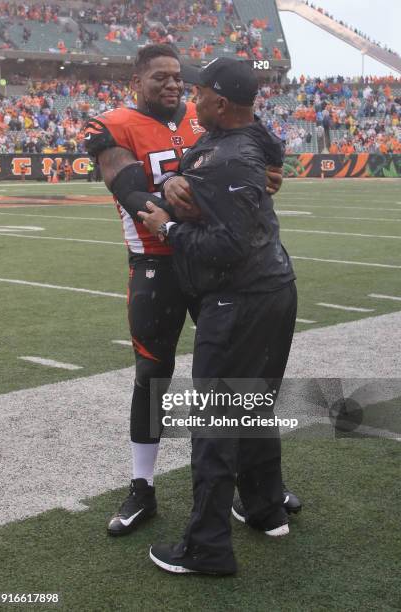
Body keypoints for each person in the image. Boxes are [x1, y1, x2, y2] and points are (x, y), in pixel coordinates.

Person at [84, 45, 300, 538]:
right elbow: (128, 187)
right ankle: (143, 486)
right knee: (153, 374)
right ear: (136, 79)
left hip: (214, 269)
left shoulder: (206, 114)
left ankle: (258, 487)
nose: (173, 85)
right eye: (160, 77)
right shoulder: (112, 124)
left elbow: (257, 151)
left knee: (237, 381)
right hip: (156, 264)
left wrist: (263, 176)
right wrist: (172, 194)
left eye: (178, 77)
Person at [138, 58, 297, 576]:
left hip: (240, 297)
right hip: (272, 289)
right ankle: (264, 507)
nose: (192, 100)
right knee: (252, 407)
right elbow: (268, 153)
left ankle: (206, 546)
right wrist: (177, 185)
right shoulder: (247, 137)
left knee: (214, 420)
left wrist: (166, 227)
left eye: (200, 93)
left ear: (222, 104)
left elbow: (226, 245)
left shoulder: (230, 158)